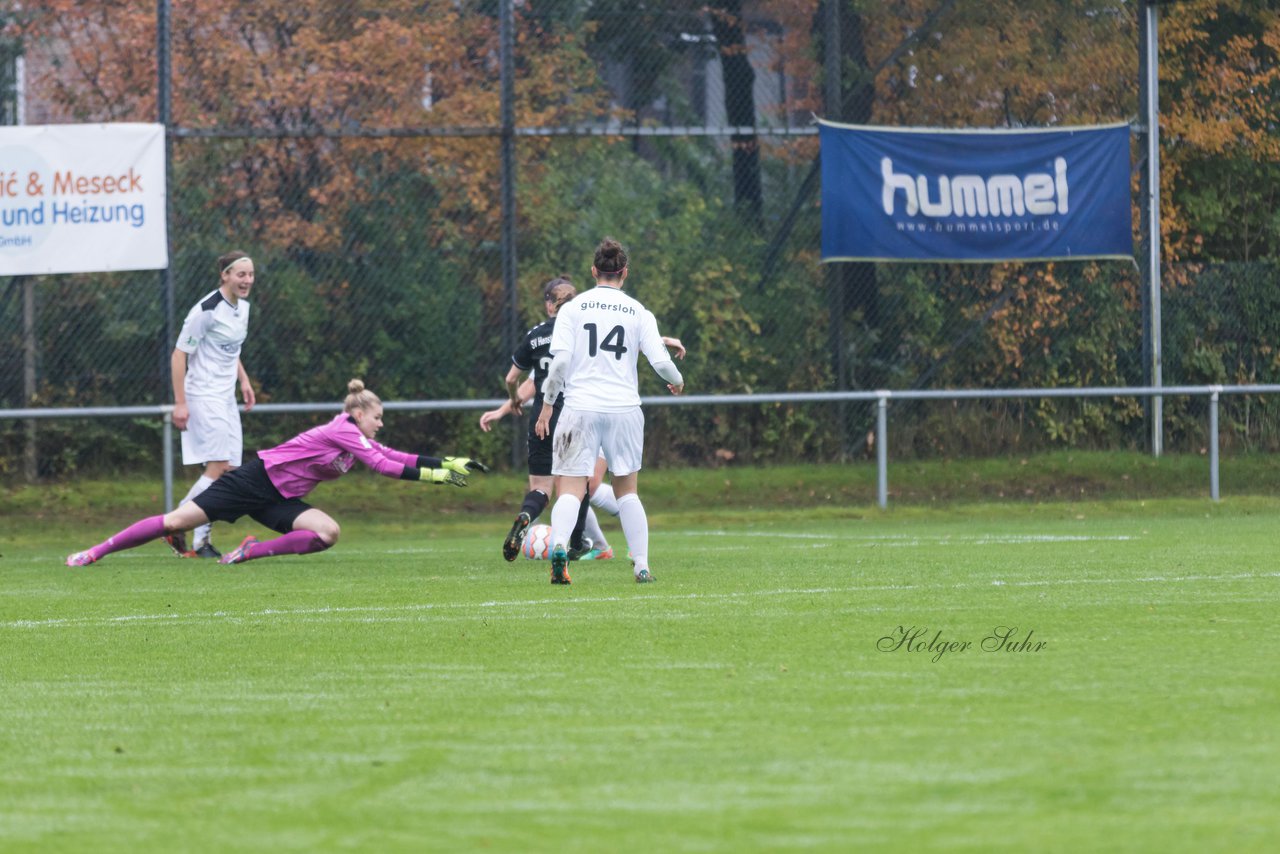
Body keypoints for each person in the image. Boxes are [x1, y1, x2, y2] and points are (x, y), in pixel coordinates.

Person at [66, 379, 488, 568]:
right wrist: (440, 480)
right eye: (377, 418)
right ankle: (95, 552)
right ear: (358, 414)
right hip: (253, 481)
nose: (380, 425)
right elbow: (382, 466)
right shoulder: (344, 429)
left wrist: (449, 463)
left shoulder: (358, 437)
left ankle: (249, 551)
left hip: (279, 499)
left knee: (328, 533)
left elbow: (395, 454)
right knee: (175, 522)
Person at [536, 237, 685, 584]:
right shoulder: (638, 311)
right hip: (624, 409)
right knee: (627, 491)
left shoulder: (573, 309)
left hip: (579, 407)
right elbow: (661, 363)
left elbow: (559, 365)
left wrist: (546, 405)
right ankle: (642, 564)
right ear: (625, 273)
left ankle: (559, 546)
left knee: (570, 489)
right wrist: (678, 381)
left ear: (593, 271)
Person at [486, 276, 615, 563]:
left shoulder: (536, 336)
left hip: (541, 419)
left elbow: (517, 380)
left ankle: (527, 515)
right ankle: (578, 541)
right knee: (579, 485)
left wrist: (508, 405)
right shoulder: (584, 333)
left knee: (542, 488)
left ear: (548, 305)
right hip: (578, 414)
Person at [165, 250, 258, 559]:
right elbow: (179, 355)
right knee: (218, 467)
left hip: (225, 397)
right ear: (225, 276)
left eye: (250, 274)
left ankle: (200, 541)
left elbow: (231, 350)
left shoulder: (242, 309)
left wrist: (243, 380)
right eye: (240, 274)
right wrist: (180, 403)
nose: (246, 280)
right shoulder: (206, 310)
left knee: (231, 470)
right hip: (203, 395)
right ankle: (177, 520)